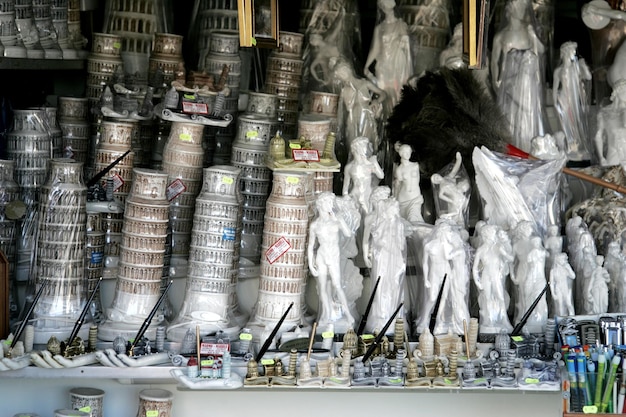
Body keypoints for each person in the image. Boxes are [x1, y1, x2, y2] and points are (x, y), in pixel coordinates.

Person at [491, 0, 547, 152]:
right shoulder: (501, 36)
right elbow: (495, 62)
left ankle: (527, 148)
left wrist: (533, 36)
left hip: (527, 84)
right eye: (520, 6)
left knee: (526, 118)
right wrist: (497, 84)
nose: (523, 10)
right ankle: (514, 150)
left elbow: (540, 50)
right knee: (510, 119)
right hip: (509, 84)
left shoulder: (528, 31)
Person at [308, 192, 355, 327]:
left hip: (334, 255)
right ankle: (327, 314)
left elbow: (348, 234)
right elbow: (311, 246)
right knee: (322, 286)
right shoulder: (315, 225)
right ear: (321, 204)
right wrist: (311, 265)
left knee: (337, 285)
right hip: (322, 255)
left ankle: (348, 314)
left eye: (331, 202)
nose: (331, 205)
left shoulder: (336, 219)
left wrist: (339, 220)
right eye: (328, 202)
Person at [362, 193, 408, 333]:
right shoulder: (378, 222)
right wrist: (366, 255)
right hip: (382, 257)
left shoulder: (398, 224)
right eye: (394, 208)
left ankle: (393, 311)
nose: (396, 211)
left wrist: (394, 240)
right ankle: (381, 312)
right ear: (388, 209)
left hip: (394, 256)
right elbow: (369, 240)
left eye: (397, 209)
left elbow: (401, 245)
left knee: (394, 284)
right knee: (381, 283)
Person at [363, 0, 413, 117]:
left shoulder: (401, 25)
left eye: (386, 4)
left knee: (397, 93)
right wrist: (366, 65)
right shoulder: (379, 28)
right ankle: (383, 122)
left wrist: (401, 41)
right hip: (383, 65)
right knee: (383, 92)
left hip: (397, 65)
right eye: (382, 5)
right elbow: (375, 49)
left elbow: (406, 48)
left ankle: (395, 121)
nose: (385, 7)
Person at [333, 58, 386, 151]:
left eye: (343, 71)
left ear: (348, 69)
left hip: (367, 118)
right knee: (353, 148)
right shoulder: (344, 89)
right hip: (352, 121)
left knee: (368, 147)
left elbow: (383, 94)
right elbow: (342, 111)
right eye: (340, 74)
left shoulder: (364, 83)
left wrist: (376, 101)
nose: (342, 75)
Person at [553, 41, 593, 161]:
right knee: (567, 125)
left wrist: (584, 66)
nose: (574, 53)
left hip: (576, 101)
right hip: (564, 99)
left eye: (574, 51)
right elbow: (555, 89)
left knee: (578, 123)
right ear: (565, 52)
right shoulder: (558, 71)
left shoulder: (577, 68)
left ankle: (579, 147)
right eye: (572, 51)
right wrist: (555, 103)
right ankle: (571, 147)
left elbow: (588, 77)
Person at [472, 224, 514, 333]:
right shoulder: (481, 250)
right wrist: (477, 281)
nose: (491, 236)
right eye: (490, 234)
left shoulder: (498, 247)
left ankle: (504, 320)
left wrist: (504, 253)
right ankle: (489, 320)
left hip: (496, 276)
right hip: (486, 276)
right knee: (488, 298)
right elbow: (475, 268)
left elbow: (511, 259)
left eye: (492, 234)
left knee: (500, 297)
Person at [342, 136, 385, 215]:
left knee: (368, 214)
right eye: (364, 146)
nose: (366, 148)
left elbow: (381, 176)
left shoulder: (370, 163)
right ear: (357, 148)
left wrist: (374, 164)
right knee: (356, 216)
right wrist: (345, 196)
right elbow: (346, 185)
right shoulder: (349, 167)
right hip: (355, 194)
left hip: (367, 194)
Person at [430, 152, 471, 227]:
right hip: (454, 199)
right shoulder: (441, 186)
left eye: (436, 176)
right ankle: (457, 229)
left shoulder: (448, 177)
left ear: (438, 174)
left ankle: (461, 229)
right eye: (435, 179)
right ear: (436, 182)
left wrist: (459, 160)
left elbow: (455, 169)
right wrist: (451, 201)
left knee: (460, 214)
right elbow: (440, 195)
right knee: (457, 216)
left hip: (460, 196)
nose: (437, 177)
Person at [594, 79, 626, 166]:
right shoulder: (604, 112)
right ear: (618, 92)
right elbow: (598, 135)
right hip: (613, 155)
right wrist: (601, 157)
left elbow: (625, 124)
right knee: (611, 177)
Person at [393, 143, 424, 223]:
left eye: (408, 152)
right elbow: (398, 185)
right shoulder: (399, 170)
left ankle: (419, 234)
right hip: (404, 198)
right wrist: (395, 199)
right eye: (405, 152)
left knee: (413, 218)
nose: (407, 154)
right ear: (401, 153)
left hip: (415, 196)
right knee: (405, 221)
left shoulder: (415, 165)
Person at [549, 252, 576, 316]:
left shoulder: (565, 268)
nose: (564, 261)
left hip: (565, 287)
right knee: (560, 305)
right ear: (558, 260)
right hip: (558, 288)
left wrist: (568, 268)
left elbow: (573, 276)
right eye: (562, 259)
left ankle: (572, 317)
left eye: (564, 259)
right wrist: (553, 293)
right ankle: (561, 318)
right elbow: (551, 283)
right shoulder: (553, 270)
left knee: (569, 303)